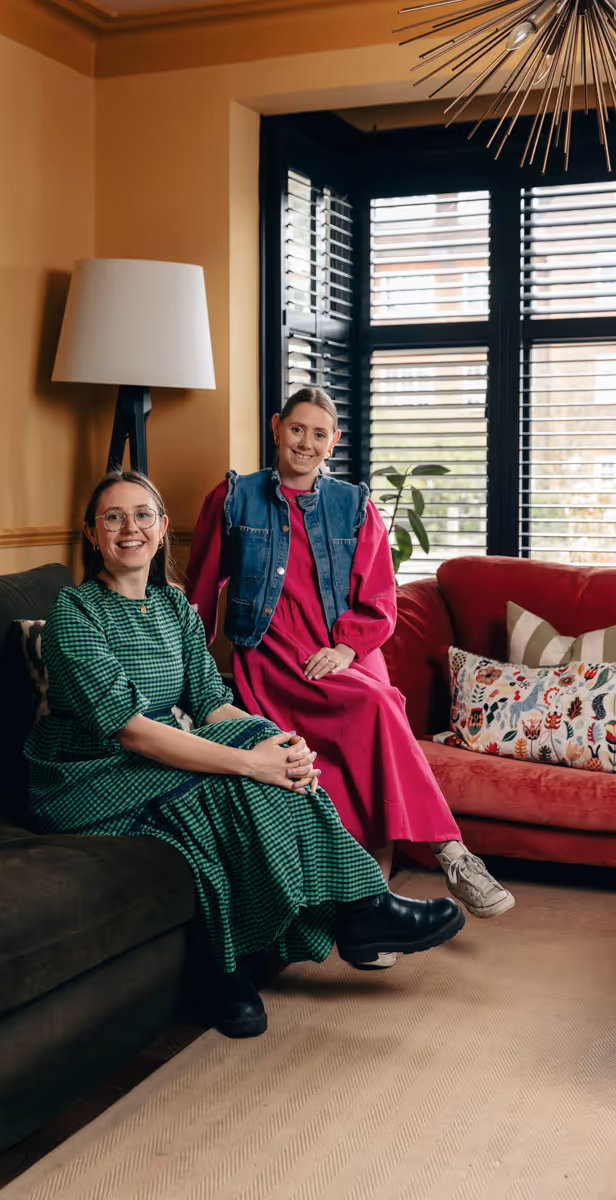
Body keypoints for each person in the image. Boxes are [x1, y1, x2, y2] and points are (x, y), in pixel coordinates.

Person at [25, 469, 465, 1039]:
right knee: (224, 786)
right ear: (91, 533)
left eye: (142, 515)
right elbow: (130, 731)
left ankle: (336, 922)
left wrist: (279, 744)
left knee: (266, 746)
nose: (129, 528)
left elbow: (211, 703)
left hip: (155, 761)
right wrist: (250, 762)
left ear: (162, 527)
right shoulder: (74, 612)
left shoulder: (175, 607)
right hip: (88, 774)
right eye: (113, 517)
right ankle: (265, 951)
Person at [187, 387, 514, 971]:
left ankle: (417, 875)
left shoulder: (354, 506)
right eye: (296, 429)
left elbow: (381, 602)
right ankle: (424, 867)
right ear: (276, 427)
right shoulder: (234, 497)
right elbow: (201, 590)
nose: (305, 443)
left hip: (341, 653)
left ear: (334, 441)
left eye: (319, 434)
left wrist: (344, 649)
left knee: (375, 709)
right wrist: (195, 674)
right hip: (271, 657)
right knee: (357, 729)